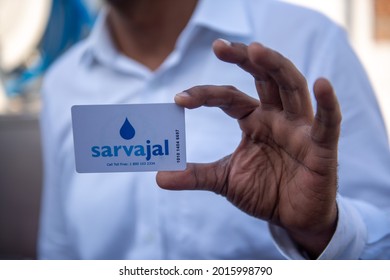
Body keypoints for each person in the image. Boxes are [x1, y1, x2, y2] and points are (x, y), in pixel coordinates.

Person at [38, 0, 390, 259]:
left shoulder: (310, 40)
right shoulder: (62, 83)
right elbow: (59, 251)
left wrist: (321, 229)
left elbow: (383, 243)